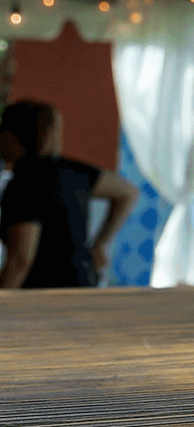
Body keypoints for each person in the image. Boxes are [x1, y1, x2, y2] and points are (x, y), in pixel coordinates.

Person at [0, 101, 138, 289]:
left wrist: (4, 301)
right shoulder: (73, 172)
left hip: (45, 292)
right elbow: (127, 193)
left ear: (16, 136)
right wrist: (100, 244)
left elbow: (21, 259)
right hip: (83, 284)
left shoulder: (24, 184)